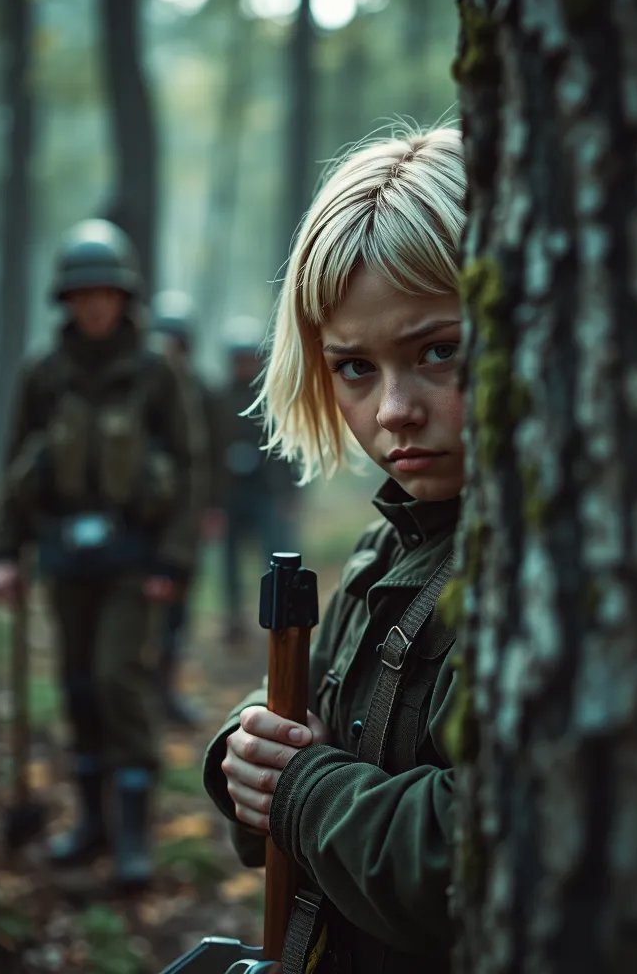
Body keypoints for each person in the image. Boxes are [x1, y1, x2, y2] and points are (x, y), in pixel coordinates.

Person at [203, 126, 467, 972]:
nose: (394, 409)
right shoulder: (385, 544)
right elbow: (330, 724)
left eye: (439, 351)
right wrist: (250, 755)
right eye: (354, 367)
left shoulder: (552, 573)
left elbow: (477, 860)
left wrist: (302, 792)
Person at [0, 220, 201, 887]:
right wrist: (5, 552)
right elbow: (14, 462)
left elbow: (189, 466)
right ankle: (91, 825)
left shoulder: (153, 371)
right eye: (82, 295)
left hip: (132, 554)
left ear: (123, 298)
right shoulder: (43, 372)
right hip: (62, 552)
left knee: (117, 679)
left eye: (105, 294)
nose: (94, 306)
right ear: (66, 301)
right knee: (78, 684)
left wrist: (171, 558)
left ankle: (134, 832)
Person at [149, 288, 218, 727]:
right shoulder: (143, 387)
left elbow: (207, 459)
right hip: (148, 519)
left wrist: (212, 508)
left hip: (185, 518)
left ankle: (167, 692)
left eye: (177, 339)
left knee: (176, 614)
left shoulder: (202, 391)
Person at [217, 315, 300, 644]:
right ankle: (233, 619)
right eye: (238, 359)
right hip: (231, 494)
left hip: (267, 492)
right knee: (230, 560)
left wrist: (291, 495)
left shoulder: (275, 398)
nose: (244, 365)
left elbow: (291, 448)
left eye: (248, 358)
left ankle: (281, 616)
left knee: (276, 555)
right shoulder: (220, 400)